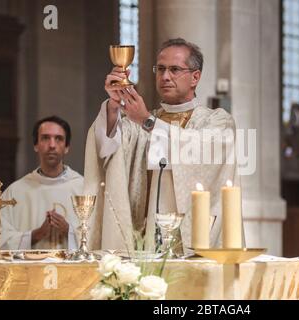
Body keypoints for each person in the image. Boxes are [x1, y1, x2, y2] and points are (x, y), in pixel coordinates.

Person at [84, 38, 243, 253]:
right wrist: (114, 105)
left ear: (195, 77)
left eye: (175, 69)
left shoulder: (217, 121)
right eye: (160, 69)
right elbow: (108, 149)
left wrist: (147, 121)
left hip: (190, 242)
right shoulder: (139, 123)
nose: (165, 76)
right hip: (145, 237)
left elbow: (200, 150)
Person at [0, 116, 83, 250]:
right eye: (45, 138)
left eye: (58, 139)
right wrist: (35, 235)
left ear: (67, 147)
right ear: (36, 145)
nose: (52, 145)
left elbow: (100, 238)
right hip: (28, 270)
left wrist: (68, 231)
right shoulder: (15, 192)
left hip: (74, 271)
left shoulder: (83, 189)